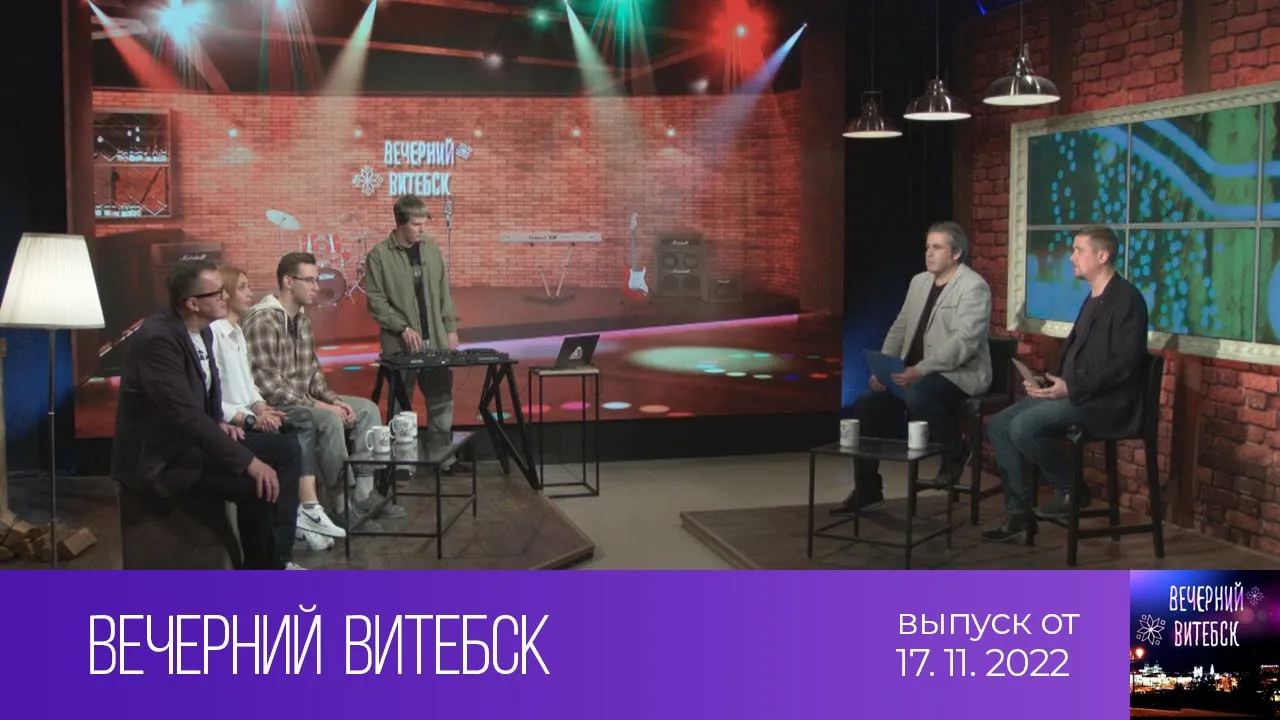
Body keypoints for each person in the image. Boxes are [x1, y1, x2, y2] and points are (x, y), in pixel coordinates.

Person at [111, 260, 305, 570]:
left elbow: (204, 397)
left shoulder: (203, 332)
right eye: (217, 293)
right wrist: (249, 462)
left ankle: (278, 560)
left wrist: (218, 422)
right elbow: (184, 415)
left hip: (194, 444)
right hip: (165, 459)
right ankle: (261, 570)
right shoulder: (158, 341)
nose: (225, 297)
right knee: (258, 484)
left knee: (285, 448)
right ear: (193, 303)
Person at [983, 225, 1149, 541]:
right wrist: (1050, 382)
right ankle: (1019, 513)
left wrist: (1071, 388)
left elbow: (1125, 363)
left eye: (1078, 250)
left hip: (1105, 402)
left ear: (1102, 256)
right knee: (1000, 424)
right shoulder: (1093, 297)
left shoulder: (1127, 299)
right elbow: (1079, 356)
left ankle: (1071, 488)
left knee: (1022, 426)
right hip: (1077, 392)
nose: (1071, 257)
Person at [832, 221, 992, 514]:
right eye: (927, 247)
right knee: (866, 404)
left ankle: (956, 451)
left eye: (937, 247)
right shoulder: (919, 282)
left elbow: (963, 342)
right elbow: (900, 327)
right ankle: (868, 488)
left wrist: (921, 369)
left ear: (956, 253)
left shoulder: (973, 287)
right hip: (913, 372)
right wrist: (883, 367)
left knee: (917, 393)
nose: (929, 253)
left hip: (957, 372)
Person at [241, 252, 405, 528]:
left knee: (366, 409)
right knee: (328, 419)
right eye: (310, 280)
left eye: (316, 280)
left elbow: (314, 375)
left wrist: (335, 400)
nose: (317, 287)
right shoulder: (264, 320)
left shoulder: (302, 320)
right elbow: (270, 387)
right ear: (288, 282)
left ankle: (364, 494)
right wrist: (322, 406)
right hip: (274, 406)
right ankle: (342, 505)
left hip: (303, 399)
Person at [211, 265, 346, 551]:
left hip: (253, 412)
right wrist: (250, 418)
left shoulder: (236, 331)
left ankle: (316, 514)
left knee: (335, 416)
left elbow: (249, 384)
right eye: (243, 287)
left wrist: (260, 409)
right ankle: (308, 510)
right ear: (224, 293)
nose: (251, 293)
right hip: (234, 421)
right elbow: (212, 395)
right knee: (302, 424)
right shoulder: (215, 334)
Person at [363, 194, 469, 474]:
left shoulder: (431, 248)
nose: (423, 229)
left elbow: (444, 291)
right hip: (400, 344)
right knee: (402, 405)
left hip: (436, 339)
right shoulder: (379, 255)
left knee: (441, 399)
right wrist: (402, 327)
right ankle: (403, 464)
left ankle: (444, 459)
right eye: (417, 224)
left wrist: (450, 328)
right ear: (401, 223)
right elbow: (376, 302)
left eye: (424, 223)